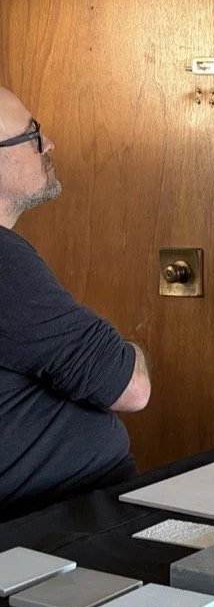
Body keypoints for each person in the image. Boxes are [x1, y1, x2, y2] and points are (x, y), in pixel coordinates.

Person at [0, 86, 150, 516]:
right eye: (32, 134)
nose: (47, 144)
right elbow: (130, 388)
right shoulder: (4, 262)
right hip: (58, 525)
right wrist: (133, 353)